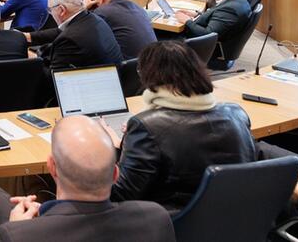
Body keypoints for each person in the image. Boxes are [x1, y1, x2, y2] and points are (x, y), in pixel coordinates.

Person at [0, 116, 174, 242]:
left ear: (52, 167)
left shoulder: (18, 235)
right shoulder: (156, 218)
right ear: (115, 174)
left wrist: (17, 228)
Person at [106, 40, 257, 209]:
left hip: (171, 225)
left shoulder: (146, 126)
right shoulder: (236, 113)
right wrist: (129, 143)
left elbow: (122, 194)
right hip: (236, 219)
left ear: (149, 76)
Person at [28, 0, 123, 70]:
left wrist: (35, 59)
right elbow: (61, 32)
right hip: (114, 79)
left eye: (50, 10)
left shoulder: (69, 39)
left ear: (61, 10)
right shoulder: (95, 20)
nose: (50, 13)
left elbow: (53, 78)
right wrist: (28, 36)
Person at [84, 0, 156, 59]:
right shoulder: (136, 6)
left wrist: (84, 7)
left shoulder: (103, 12)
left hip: (130, 67)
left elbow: (82, 29)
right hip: (153, 60)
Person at [178, 0, 252, 41]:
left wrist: (187, 21)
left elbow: (208, 35)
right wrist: (197, 15)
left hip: (197, 43)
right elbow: (215, 16)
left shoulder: (229, 10)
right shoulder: (237, 0)